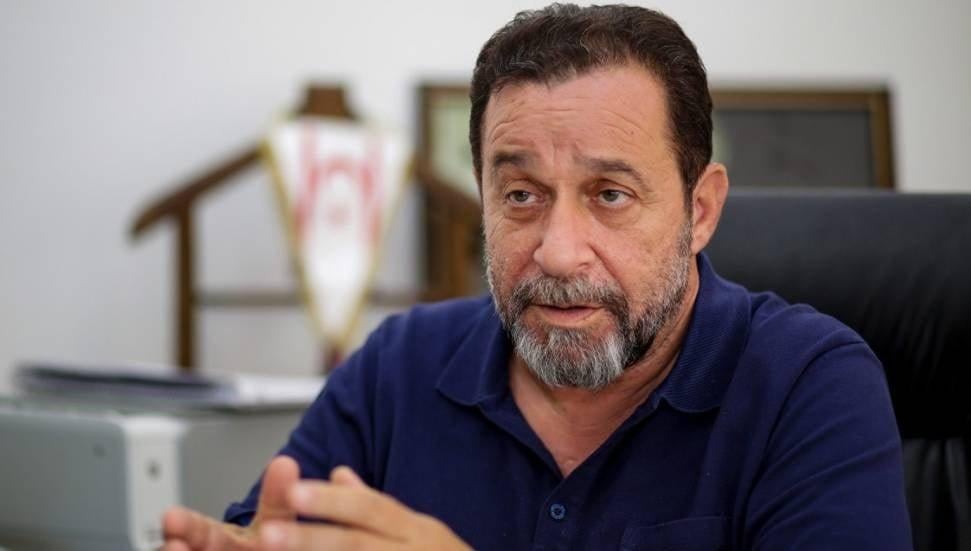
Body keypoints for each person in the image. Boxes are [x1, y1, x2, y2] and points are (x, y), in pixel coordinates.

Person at [162, 4, 912, 550]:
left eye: (609, 195)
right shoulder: (398, 366)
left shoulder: (808, 383)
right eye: (521, 195)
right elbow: (271, 530)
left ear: (701, 209)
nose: (557, 252)